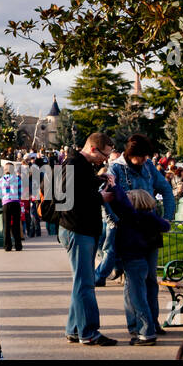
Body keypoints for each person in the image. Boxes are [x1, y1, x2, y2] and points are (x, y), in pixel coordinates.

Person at [101, 134, 176, 332]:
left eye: (146, 157)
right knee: (133, 280)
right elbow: (107, 198)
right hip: (129, 230)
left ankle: (152, 321)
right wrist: (115, 222)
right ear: (131, 153)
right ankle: (136, 324)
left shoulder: (149, 167)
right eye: (141, 157)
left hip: (149, 228)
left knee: (151, 278)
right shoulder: (116, 168)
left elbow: (166, 189)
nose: (144, 160)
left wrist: (167, 217)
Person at [53, 132, 118, 346]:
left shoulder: (80, 164)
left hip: (82, 230)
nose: (105, 160)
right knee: (85, 284)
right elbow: (66, 198)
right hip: (77, 229)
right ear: (92, 148)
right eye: (104, 155)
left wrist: (100, 180)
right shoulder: (73, 164)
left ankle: (74, 329)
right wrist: (100, 197)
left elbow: (79, 189)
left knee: (82, 282)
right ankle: (88, 332)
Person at [103, 187, 170, 345]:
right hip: (137, 258)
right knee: (137, 294)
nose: (126, 199)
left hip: (135, 259)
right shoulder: (141, 217)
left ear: (135, 201)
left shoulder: (136, 217)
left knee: (137, 297)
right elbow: (165, 226)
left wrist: (113, 186)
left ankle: (146, 331)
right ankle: (144, 328)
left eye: (129, 198)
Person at [0, 164, 23, 252]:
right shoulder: (17, 179)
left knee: (6, 225)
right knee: (16, 224)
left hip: (6, 203)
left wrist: (5, 197)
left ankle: (7, 246)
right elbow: (20, 192)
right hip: (15, 202)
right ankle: (18, 245)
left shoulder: (1, 180)